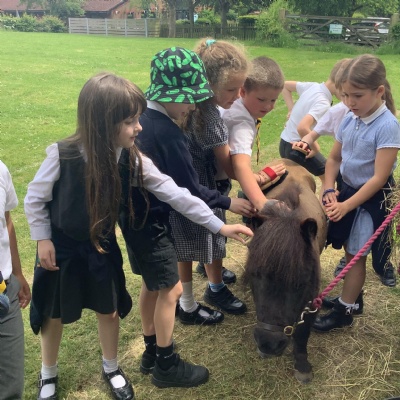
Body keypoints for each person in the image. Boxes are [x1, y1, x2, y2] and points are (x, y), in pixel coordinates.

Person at [119, 47, 254, 387]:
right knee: (172, 290)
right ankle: (166, 364)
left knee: (151, 285)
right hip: (155, 224)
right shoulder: (167, 132)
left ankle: (151, 349)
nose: (192, 107)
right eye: (188, 100)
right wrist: (225, 206)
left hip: (132, 220)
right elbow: (187, 190)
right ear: (171, 95)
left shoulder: (139, 120)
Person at [312, 54, 400, 332]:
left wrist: (347, 205)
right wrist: (329, 187)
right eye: (345, 95)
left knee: (355, 255)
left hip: (369, 200)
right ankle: (352, 298)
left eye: (357, 96)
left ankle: (345, 310)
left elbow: (378, 178)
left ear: (379, 91)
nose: (350, 102)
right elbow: (334, 159)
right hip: (348, 193)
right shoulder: (351, 118)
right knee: (350, 249)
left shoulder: (387, 126)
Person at [221, 55, 286, 212]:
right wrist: (262, 202)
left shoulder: (233, 102)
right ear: (243, 91)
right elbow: (239, 165)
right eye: (261, 99)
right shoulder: (241, 122)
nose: (268, 106)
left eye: (273, 100)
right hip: (213, 182)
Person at [279, 59, 346, 190]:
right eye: (346, 92)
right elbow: (302, 127)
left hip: (284, 143)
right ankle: (325, 204)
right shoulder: (323, 102)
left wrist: (291, 109)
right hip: (297, 148)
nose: (346, 96)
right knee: (329, 177)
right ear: (341, 83)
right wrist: (315, 148)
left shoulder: (313, 86)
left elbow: (285, 86)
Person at [0, 161, 31, 400]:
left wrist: (17, 273)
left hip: (5, 292)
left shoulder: (0, 170)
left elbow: (6, 221)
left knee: (11, 388)